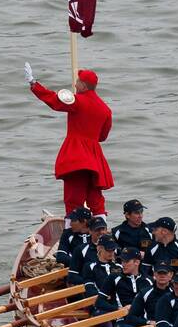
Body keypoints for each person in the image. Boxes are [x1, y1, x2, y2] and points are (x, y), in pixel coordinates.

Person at [26, 66, 114, 219]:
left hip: (77, 155)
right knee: (95, 198)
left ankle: (72, 235)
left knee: (73, 199)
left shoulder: (78, 101)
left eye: (78, 82)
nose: (75, 85)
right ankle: (102, 231)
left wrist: (34, 84)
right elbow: (102, 136)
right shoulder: (106, 109)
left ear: (84, 86)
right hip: (94, 156)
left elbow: (54, 101)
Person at [68, 215, 109, 286]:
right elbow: (72, 277)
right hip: (90, 290)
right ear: (90, 231)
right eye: (97, 230)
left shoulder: (115, 248)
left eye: (103, 229)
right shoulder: (80, 250)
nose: (101, 232)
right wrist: (91, 283)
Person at [112, 199, 153, 264]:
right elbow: (111, 250)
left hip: (145, 267)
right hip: (125, 266)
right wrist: (134, 253)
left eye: (141, 212)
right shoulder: (116, 232)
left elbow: (157, 251)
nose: (140, 216)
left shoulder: (150, 231)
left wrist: (147, 254)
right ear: (127, 215)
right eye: (137, 213)